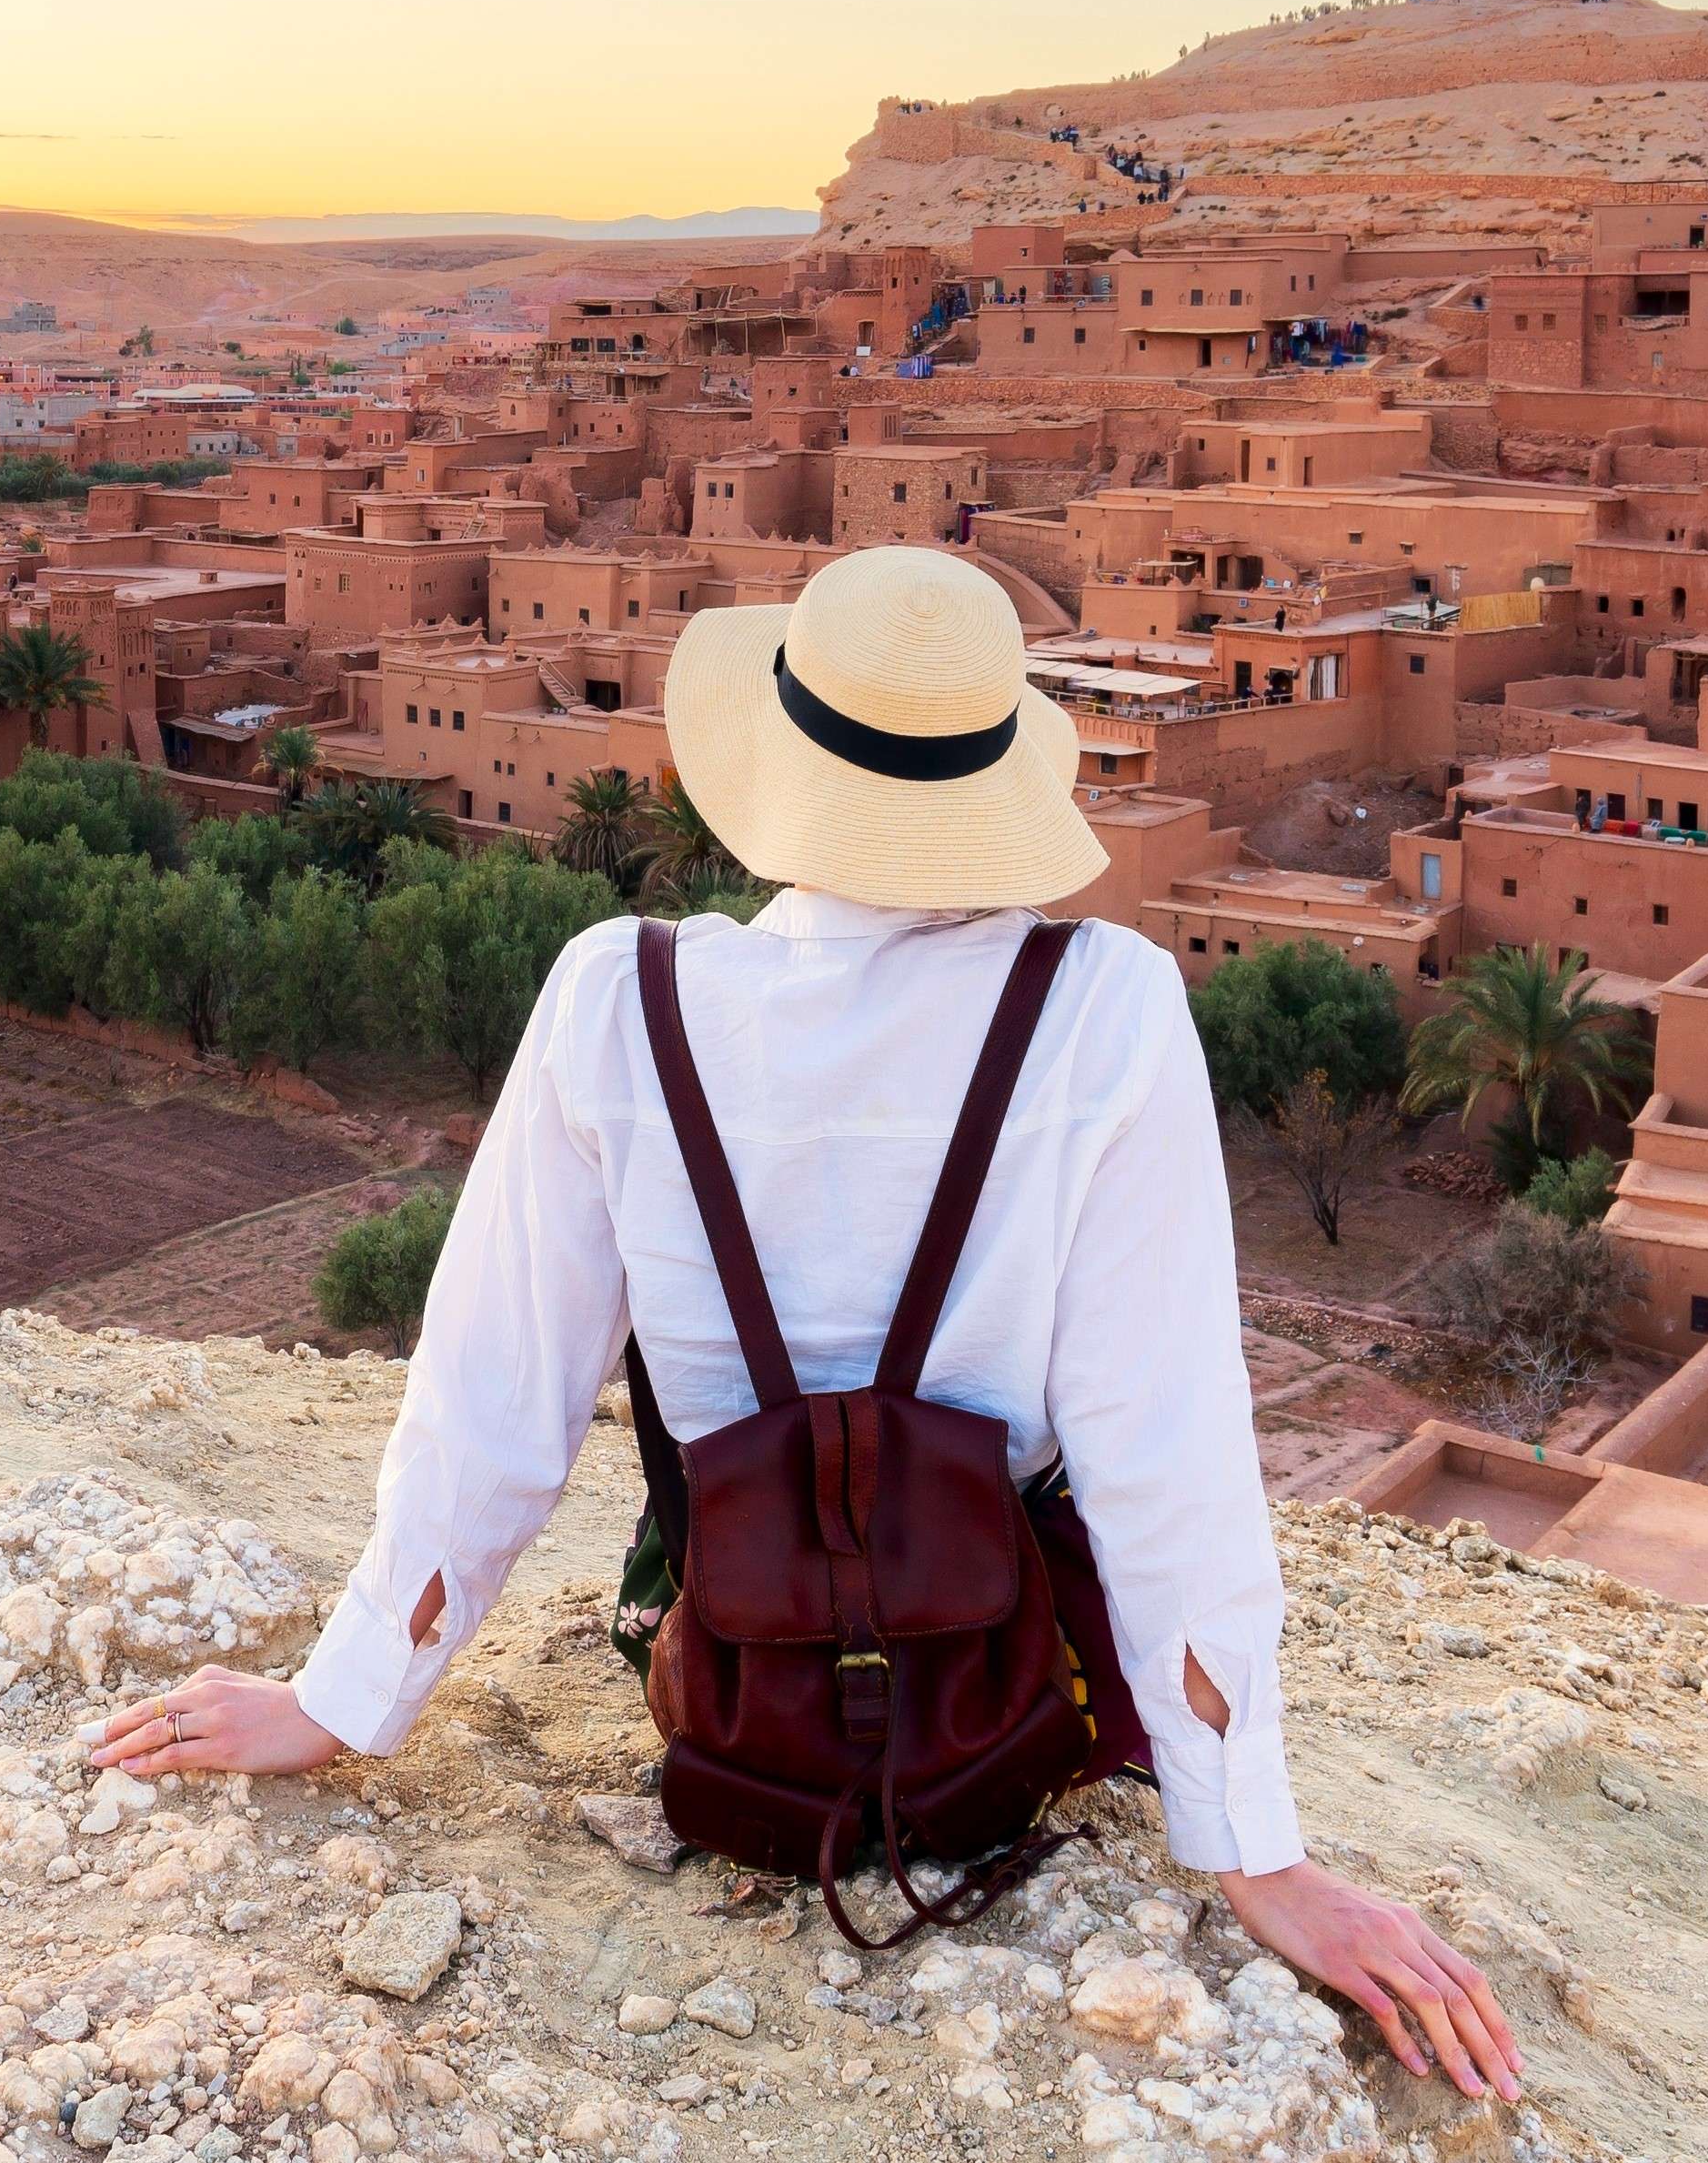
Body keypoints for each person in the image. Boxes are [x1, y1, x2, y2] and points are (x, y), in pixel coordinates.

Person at [90, 547, 1524, 2102]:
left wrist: (343, 1700)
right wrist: (1255, 1849)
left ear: (779, 765)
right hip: (1012, 1695)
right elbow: (1160, 1445)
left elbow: (495, 1398)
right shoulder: (1108, 1003)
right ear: (997, 777)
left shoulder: (615, 996)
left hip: (724, 1669)